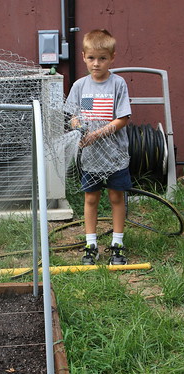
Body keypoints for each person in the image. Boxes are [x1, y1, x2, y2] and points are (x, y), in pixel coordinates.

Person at [66, 29, 132, 265]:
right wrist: (79, 127)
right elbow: (74, 115)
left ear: (112, 58)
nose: (97, 63)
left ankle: (117, 244)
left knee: (116, 197)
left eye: (102, 58)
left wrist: (97, 134)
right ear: (83, 56)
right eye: (92, 58)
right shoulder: (80, 86)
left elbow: (122, 118)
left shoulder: (118, 84)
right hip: (91, 158)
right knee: (91, 199)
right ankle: (91, 244)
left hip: (115, 157)